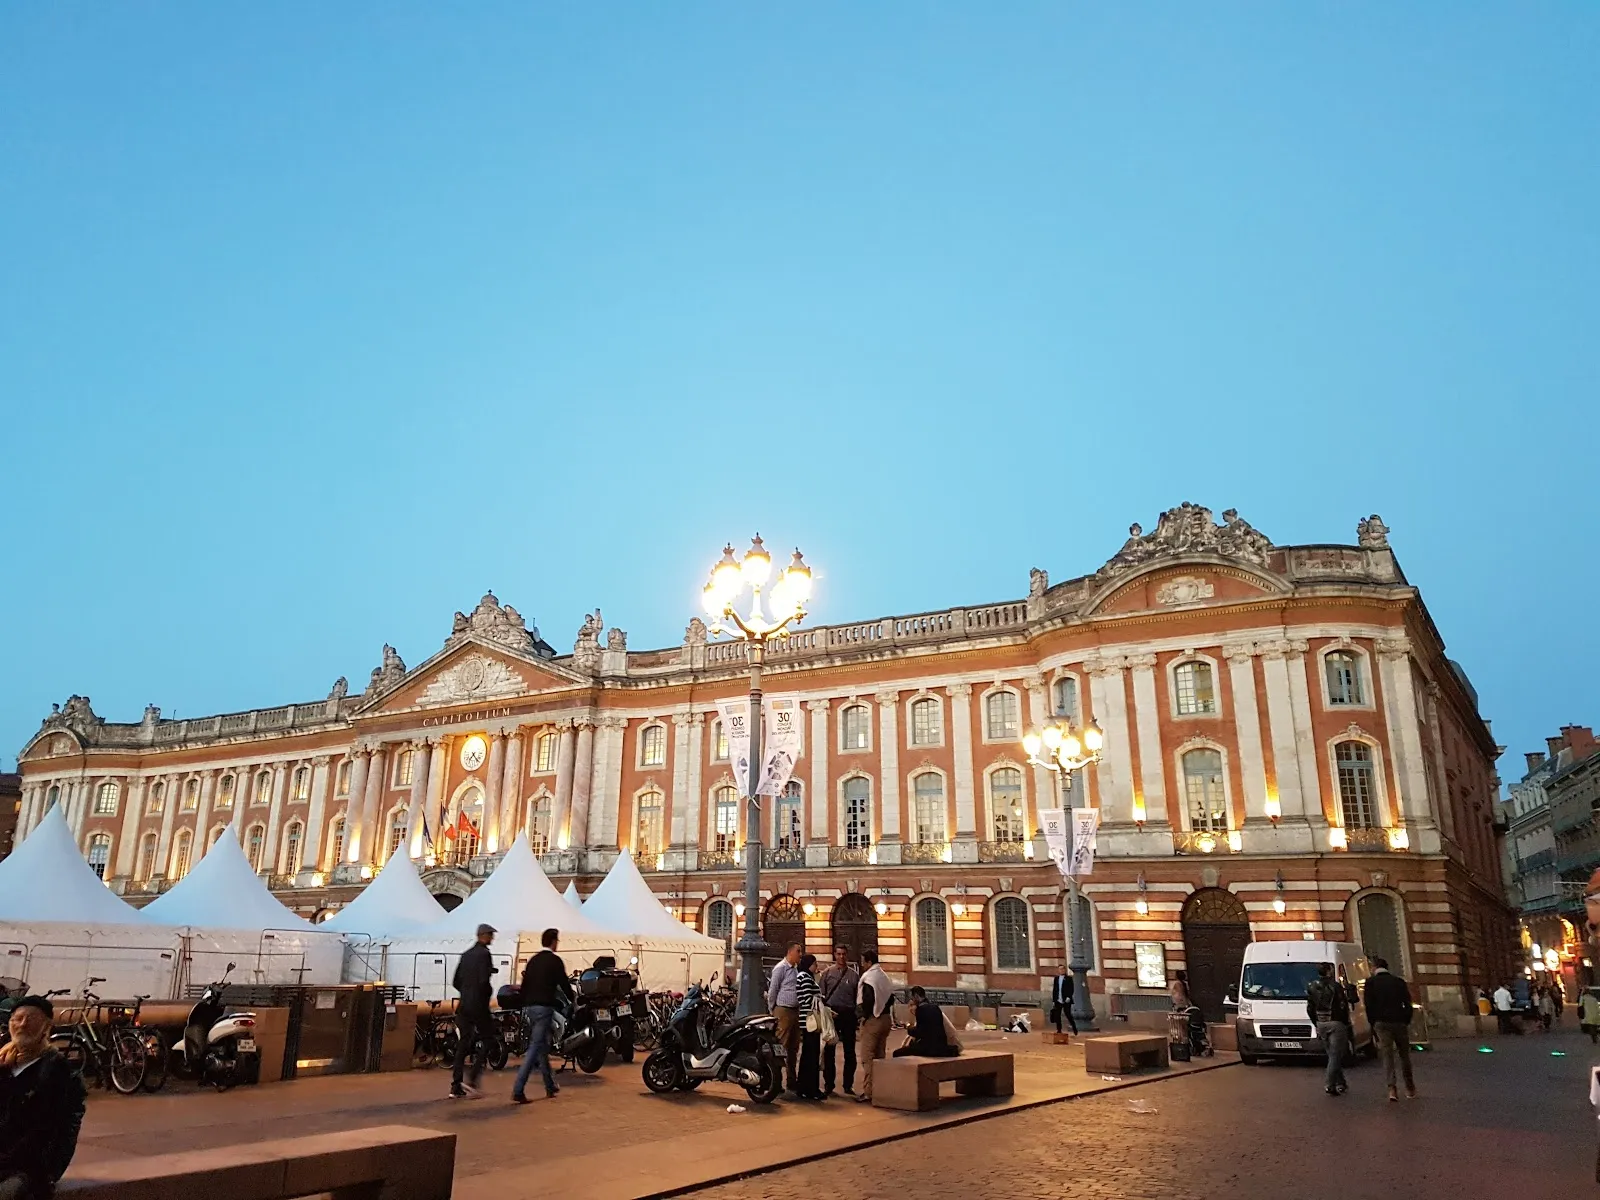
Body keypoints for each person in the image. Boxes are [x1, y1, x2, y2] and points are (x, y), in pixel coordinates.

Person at [0, 996, 86, 1200]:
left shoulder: (59, 1072)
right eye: (17, 1019)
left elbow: (54, 1131)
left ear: (46, 1027)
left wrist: (48, 1172)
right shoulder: (3, 1064)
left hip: (28, 1167)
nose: (23, 1024)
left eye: (31, 1019)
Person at [512, 927, 574, 1103]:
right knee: (535, 1047)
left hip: (530, 1007)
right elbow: (564, 984)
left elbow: (525, 985)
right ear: (554, 941)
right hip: (544, 1008)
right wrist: (572, 999)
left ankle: (550, 1085)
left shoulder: (533, 960)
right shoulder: (554, 961)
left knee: (542, 1047)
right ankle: (518, 1089)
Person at [450, 923, 498, 1099]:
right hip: (478, 1004)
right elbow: (484, 981)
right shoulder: (484, 954)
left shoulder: (466, 955)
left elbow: (455, 981)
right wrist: (486, 993)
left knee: (463, 1045)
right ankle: (473, 1078)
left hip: (464, 1005)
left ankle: (456, 1085)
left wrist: (466, 991)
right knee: (489, 1039)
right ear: (483, 936)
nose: (492, 938)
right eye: (490, 935)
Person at [1362, 956, 1416, 1102]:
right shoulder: (1398, 982)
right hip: (1399, 1021)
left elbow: (1369, 1006)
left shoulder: (1370, 983)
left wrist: (1373, 1023)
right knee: (1404, 1055)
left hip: (1381, 1023)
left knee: (1387, 1056)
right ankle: (1410, 1087)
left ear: (1374, 967)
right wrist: (1406, 1020)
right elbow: (1408, 1003)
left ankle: (1392, 1089)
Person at [854, 949, 895, 1104]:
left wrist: (861, 1016)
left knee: (867, 1057)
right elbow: (891, 998)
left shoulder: (869, 978)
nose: (862, 964)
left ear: (869, 962)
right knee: (879, 1056)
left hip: (873, 1020)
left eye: (863, 961)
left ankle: (869, 1092)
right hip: (885, 1018)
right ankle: (880, 1090)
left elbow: (867, 1000)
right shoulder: (884, 976)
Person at [1306, 962, 1352, 1096]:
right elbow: (1343, 1006)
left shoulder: (1312, 986)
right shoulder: (1336, 987)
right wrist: (1345, 1022)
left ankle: (1341, 1082)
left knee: (1332, 1054)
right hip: (1335, 1022)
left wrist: (1316, 1023)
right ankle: (1329, 1084)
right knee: (1335, 1055)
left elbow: (1310, 1008)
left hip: (1321, 1023)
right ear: (1328, 971)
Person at [819, 946, 860, 1097]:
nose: (841, 957)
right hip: (832, 1014)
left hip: (848, 1014)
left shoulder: (854, 975)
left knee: (850, 1051)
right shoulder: (828, 973)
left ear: (847, 956)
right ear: (835, 955)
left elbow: (857, 997)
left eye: (843, 954)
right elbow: (821, 995)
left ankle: (848, 1085)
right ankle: (829, 1084)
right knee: (829, 1051)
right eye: (838, 954)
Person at [767, 943, 803, 1094]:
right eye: (798, 951)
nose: (800, 954)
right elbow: (773, 990)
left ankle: (791, 1080)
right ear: (790, 952)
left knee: (793, 1048)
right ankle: (775, 1080)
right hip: (783, 1011)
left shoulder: (795, 969)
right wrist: (773, 1010)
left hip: (795, 1012)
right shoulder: (780, 968)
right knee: (780, 1046)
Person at [892, 987, 961, 1058]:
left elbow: (920, 1032)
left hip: (928, 1048)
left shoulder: (921, 1010)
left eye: (912, 998)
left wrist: (909, 1029)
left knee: (897, 1053)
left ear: (916, 996)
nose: (912, 1000)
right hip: (941, 1045)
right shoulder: (935, 1007)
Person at [793, 953, 824, 1100]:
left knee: (808, 1055)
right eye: (814, 963)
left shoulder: (804, 977)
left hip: (808, 1021)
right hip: (810, 1021)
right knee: (811, 1055)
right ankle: (810, 1088)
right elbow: (807, 1000)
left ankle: (805, 1087)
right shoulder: (805, 978)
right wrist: (820, 1000)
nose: (816, 966)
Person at [1049, 970, 1078, 1036]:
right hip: (1058, 1000)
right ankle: (1059, 1030)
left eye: (1062, 969)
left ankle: (1074, 1028)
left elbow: (1071, 988)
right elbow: (1055, 990)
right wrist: (1054, 1000)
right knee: (1057, 1016)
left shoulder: (1069, 978)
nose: (1061, 970)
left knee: (1068, 1015)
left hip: (1066, 1000)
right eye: (1060, 969)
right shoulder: (1056, 978)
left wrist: (1069, 997)